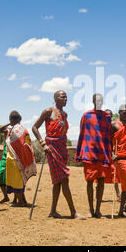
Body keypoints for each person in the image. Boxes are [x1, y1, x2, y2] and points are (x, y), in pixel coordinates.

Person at [32, 91, 85, 219]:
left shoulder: (64, 114)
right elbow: (34, 127)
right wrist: (43, 143)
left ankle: (53, 211)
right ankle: (73, 212)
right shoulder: (48, 111)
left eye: (66, 96)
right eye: (62, 97)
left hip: (62, 147)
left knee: (58, 181)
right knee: (64, 178)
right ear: (56, 99)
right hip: (51, 147)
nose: (65, 98)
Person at [75, 93, 112, 218]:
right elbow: (82, 133)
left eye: (101, 100)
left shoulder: (107, 116)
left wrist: (109, 153)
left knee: (101, 182)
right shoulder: (86, 116)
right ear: (93, 101)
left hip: (102, 153)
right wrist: (80, 152)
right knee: (90, 181)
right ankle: (91, 210)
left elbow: (108, 136)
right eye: (97, 100)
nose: (99, 102)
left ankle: (98, 210)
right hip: (89, 152)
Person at [0, 111, 37, 207]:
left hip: (14, 159)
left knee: (17, 181)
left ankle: (20, 201)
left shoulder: (15, 129)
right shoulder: (23, 129)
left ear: (12, 119)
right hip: (20, 159)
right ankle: (21, 200)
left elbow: (16, 144)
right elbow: (26, 145)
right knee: (19, 181)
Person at [0, 124, 11, 204]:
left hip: (12, 157)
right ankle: (6, 197)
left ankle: (16, 199)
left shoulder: (16, 131)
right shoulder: (8, 131)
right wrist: (9, 123)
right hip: (4, 158)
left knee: (13, 179)